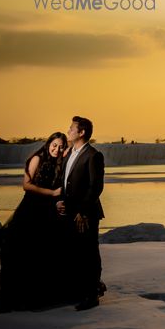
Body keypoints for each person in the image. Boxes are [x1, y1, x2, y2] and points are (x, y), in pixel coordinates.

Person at [0, 132, 69, 312]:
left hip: (47, 210)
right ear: (48, 143)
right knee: (20, 250)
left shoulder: (59, 162)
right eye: (54, 145)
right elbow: (26, 185)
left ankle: (34, 297)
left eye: (61, 146)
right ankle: (12, 298)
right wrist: (51, 194)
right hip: (31, 208)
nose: (57, 149)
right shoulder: (37, 158)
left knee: (39, 253)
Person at [57, 115, 105, 310]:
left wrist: (83, 212)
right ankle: (81, 290)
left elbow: (96, 187)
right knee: (74, 253)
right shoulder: (69, 153)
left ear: (81, 132)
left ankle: (92, 296)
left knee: (89, 253)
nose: (68, 131)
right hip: (68, 211)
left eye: (71, 128)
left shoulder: (94, 155)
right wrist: (59, 201)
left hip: (86, 213)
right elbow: (65, 181)